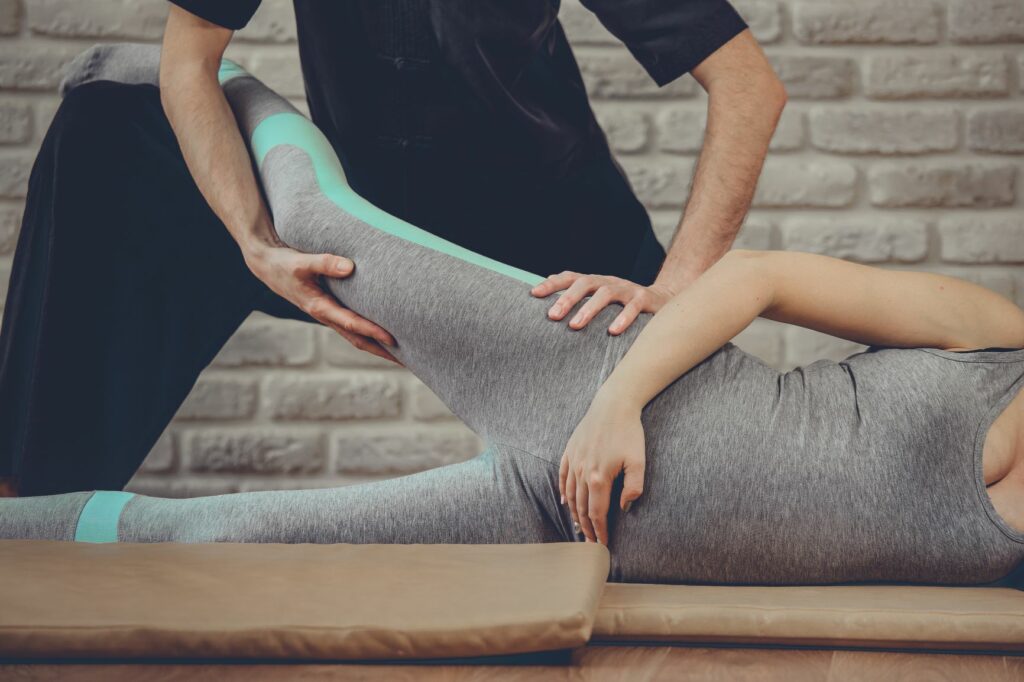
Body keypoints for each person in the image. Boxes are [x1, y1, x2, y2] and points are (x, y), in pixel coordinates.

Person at [3, 50, 1023, 589]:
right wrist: (618, 400)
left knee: (218, 536)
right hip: (591, 381)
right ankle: (209, 80)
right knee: (318, 227)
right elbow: (753, 277)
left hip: (574, 526)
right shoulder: (997, 339)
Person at [0, 0, 785, 497]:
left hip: (548, 256)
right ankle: (28, 510)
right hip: (367, 243)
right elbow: (186, 64)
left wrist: (674, 293)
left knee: (675, 488)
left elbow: (750, 86)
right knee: (104, 133)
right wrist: (256, 242)